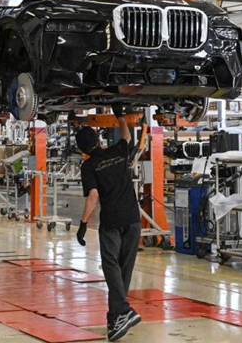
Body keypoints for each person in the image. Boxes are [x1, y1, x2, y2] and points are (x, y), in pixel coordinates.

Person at [75, 111, 141, 342]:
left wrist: (83, 224)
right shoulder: (118, 151)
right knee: (124, 268)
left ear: (82, 150)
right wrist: (120, 115)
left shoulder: (89, 166)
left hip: (112, 222)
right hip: (133, 219)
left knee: (110, 265)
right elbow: (126, 135)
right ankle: (115, 320)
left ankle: (122, 310)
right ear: (98, 141)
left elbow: (92, 196)